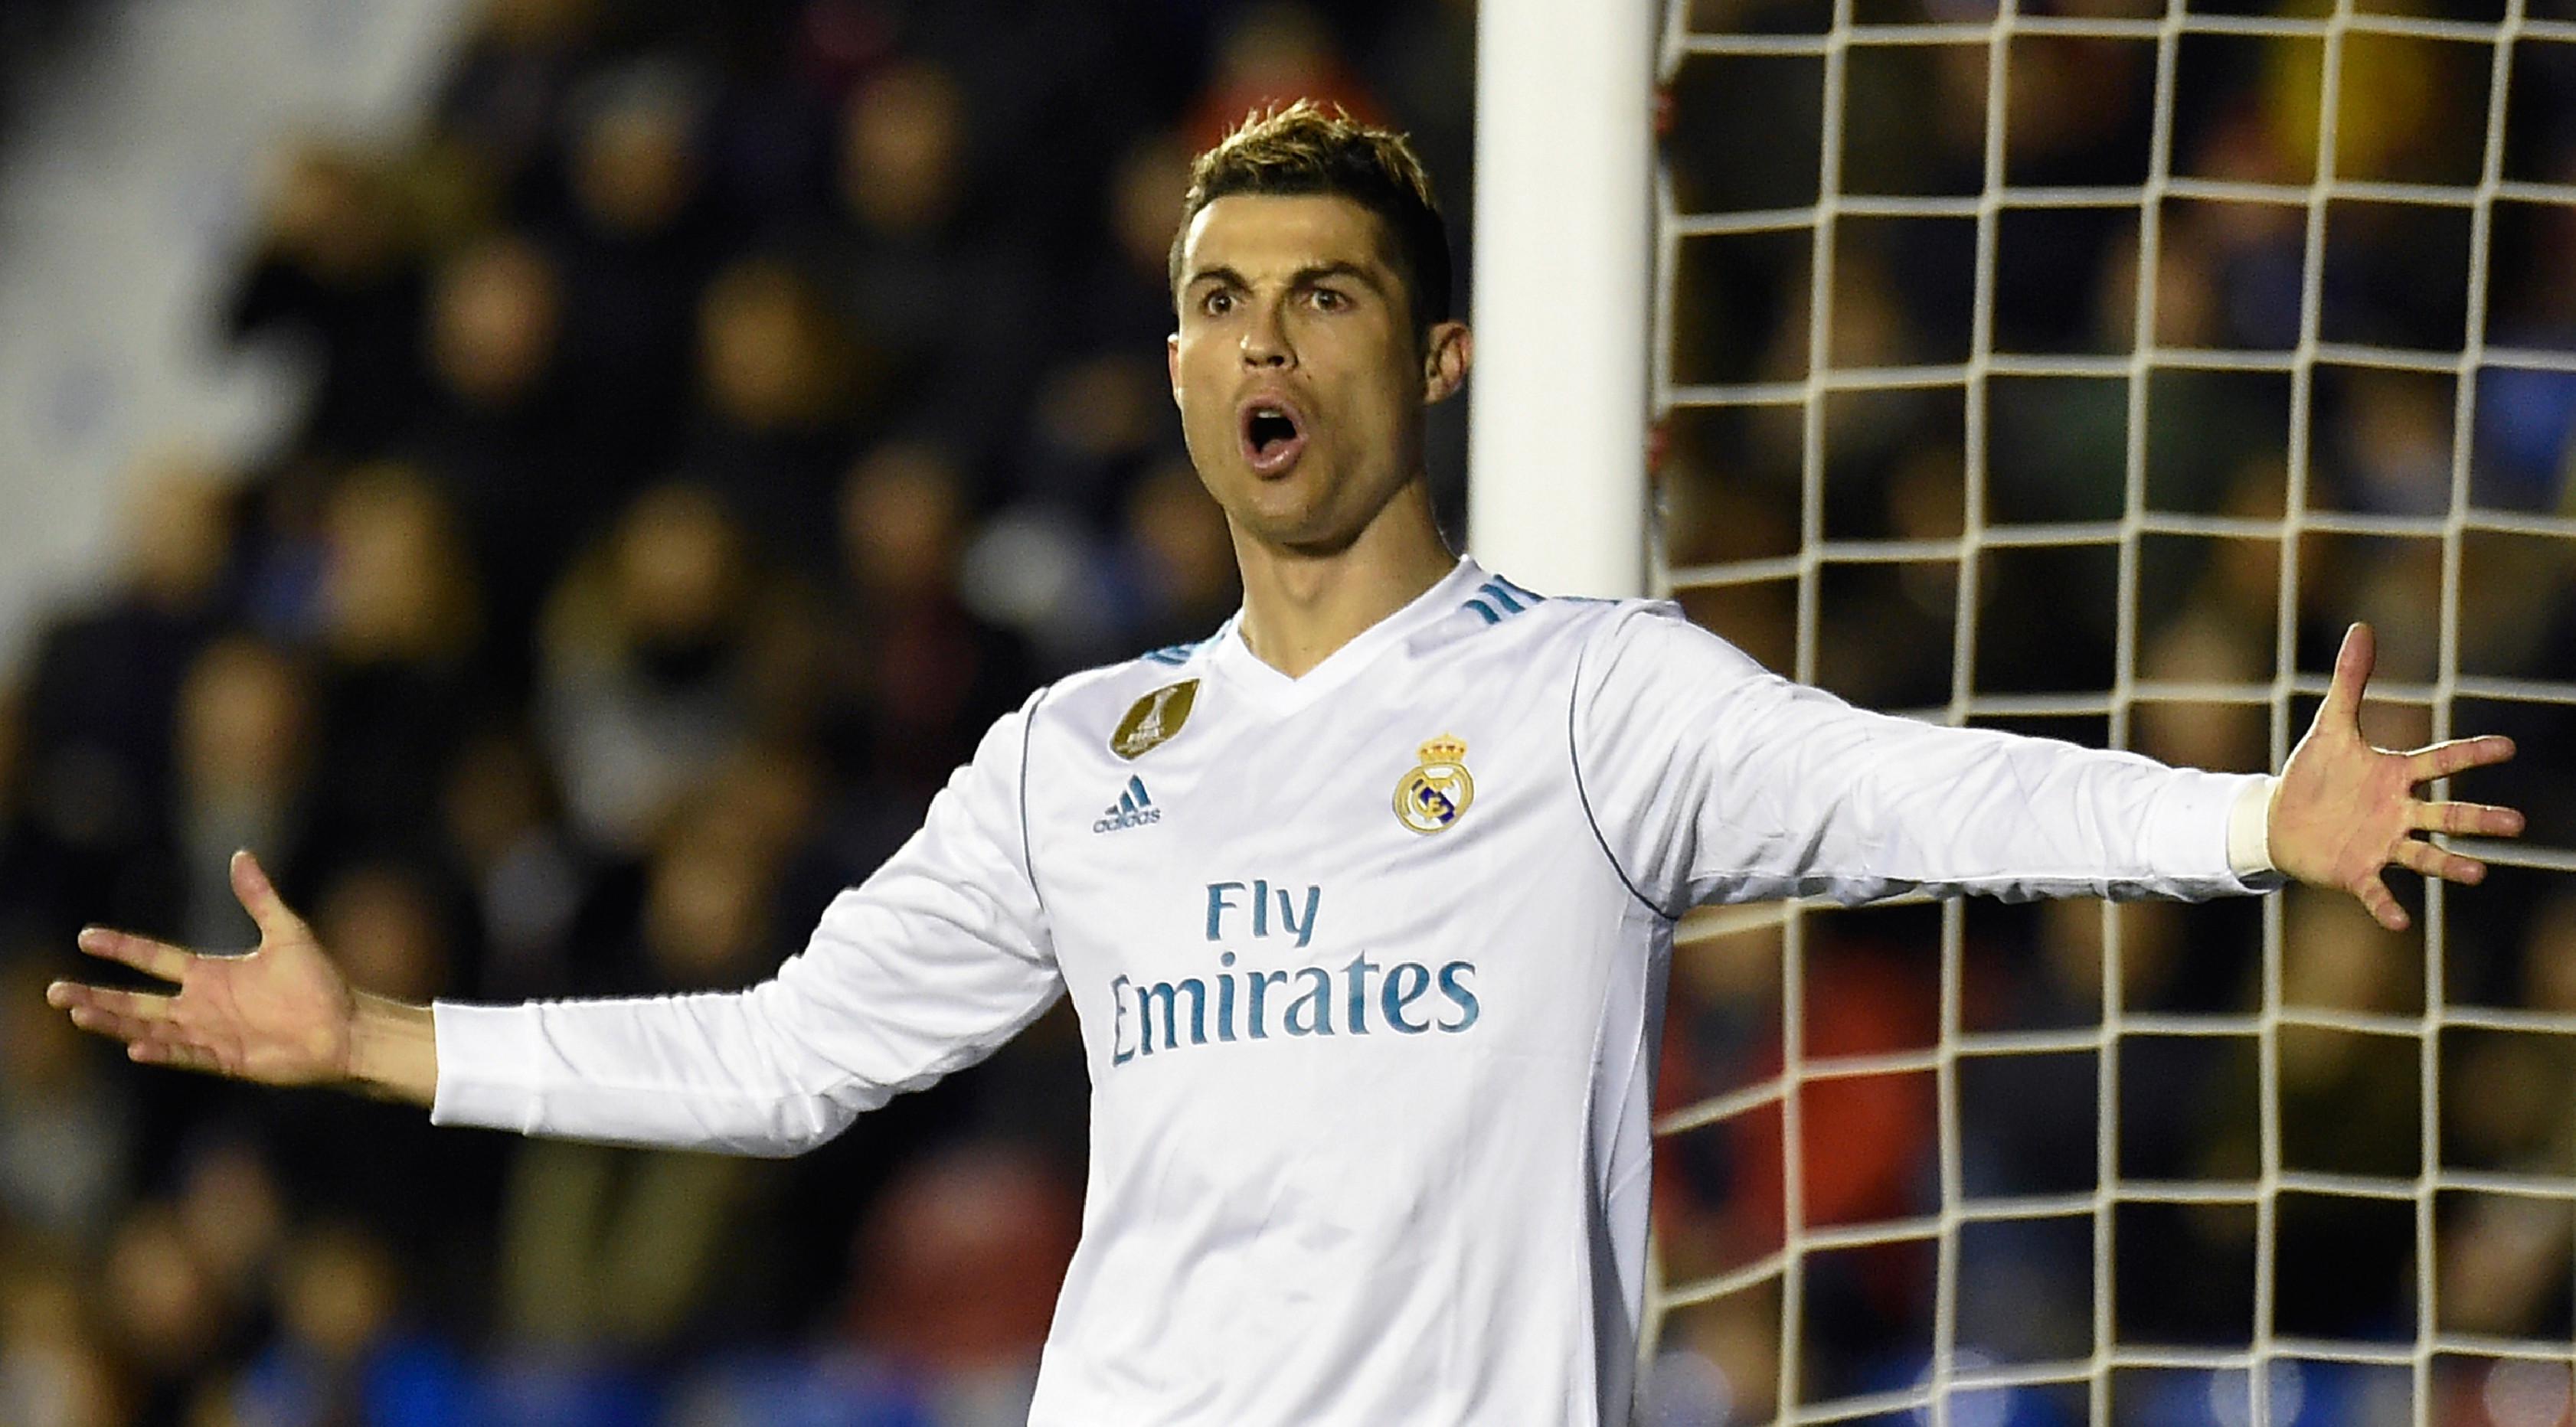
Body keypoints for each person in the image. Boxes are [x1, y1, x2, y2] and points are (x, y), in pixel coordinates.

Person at [45, 103, 2525, 1424]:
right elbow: (791, 1057)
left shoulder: (1589, 696)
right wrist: (375, 1039)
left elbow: (1915, 799)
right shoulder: (1070, 756)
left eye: (1322, 296)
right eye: (1220, 301)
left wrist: (2235, 823)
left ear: (1427, 361)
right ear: (1168, 370)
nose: (1266, 341)